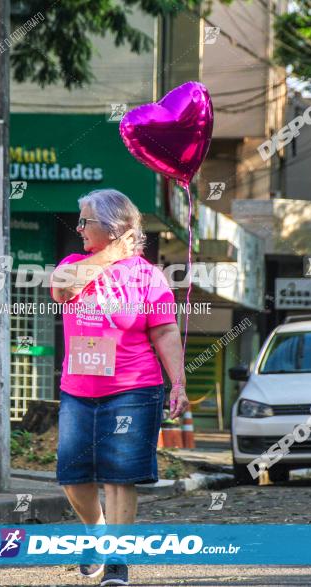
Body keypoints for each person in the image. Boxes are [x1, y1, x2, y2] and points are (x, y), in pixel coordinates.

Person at [50, 189, 189, 587]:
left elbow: (164, 332)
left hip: (133, 387)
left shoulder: (148, 276)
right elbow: (63, 289)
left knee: (118, 476)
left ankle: (117, 559)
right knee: (73, 475)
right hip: (79, 388)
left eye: (85, 220)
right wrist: (113, 253)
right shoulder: (73, 264)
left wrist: (176, 381)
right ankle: (96, 531)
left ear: (112, 227)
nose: (78, 228)